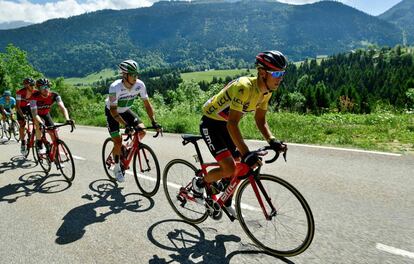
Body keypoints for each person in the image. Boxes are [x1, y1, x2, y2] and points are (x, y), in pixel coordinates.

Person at [193, 51, 288, 218]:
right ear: (262, 72)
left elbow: (260, 120)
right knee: (229, 168)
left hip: (226, 125)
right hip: (211, 123)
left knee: (241, 168)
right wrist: (246, 153)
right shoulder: (244, 88)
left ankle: (226, 199)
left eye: (282, 73)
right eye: (277, 73)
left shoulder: (266, 92)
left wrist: (272, 140)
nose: (280, 78)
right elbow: (233, 124)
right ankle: (200, 183)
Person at [105, 59, 161, 182]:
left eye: (137, 74)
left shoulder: (140, 85)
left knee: (142, 131)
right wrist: (126, 125)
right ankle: (117, 167)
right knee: (118, 142)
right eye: (132, 74)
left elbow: (147, 105)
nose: (136, 77)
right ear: (124, 75)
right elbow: (114, 111)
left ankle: (127, 149)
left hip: (125, 110)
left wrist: (154, 121)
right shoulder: (115, 87)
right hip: (112, 113)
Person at [30, 78, 73, 154]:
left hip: (46, 114)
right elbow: (34, 114)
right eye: (43, 88)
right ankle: (39, 144)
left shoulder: (55, 95)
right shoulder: (34, 97)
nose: (45, 89)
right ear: (39, 89)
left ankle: (56, 158)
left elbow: (63, 107)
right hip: (37, 115)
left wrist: (67, 119)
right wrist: (41, 123)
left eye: (47, 87)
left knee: (54, 135)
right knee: (38, 125)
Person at [16, 78, 37, 154]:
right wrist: (23, 116)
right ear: (25, 86)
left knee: (36, 120)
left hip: (29, 107)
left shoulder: (36, 92)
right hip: (21, 108)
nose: (32, 87)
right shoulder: (20, 92)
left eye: (33, 85)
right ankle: (23, 142)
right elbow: (17, 106)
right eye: (30, 86)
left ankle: (36, 138)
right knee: (22, 124)